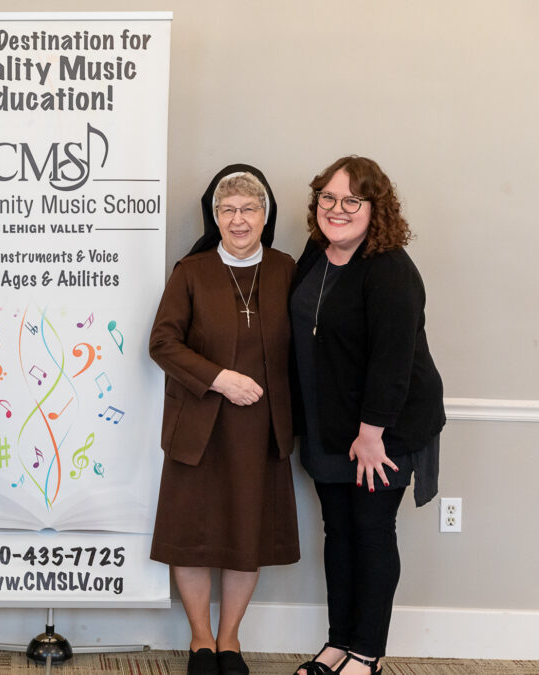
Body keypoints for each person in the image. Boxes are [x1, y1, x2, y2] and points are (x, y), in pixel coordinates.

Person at [289, 156, 444, 675]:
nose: (337, 209)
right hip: (328, 424)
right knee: (338, 531)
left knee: (372, 532)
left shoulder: (391, 271)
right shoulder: (315, 254)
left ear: (375, 209)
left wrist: (372, 433)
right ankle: (338, 643)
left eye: (351, 200)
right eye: (328, 198)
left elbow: (394, 361)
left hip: (385, 430)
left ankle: (367, 653)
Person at [149, 165, 301, 675]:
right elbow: (163, 343)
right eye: (227, 210)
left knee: (246, 537)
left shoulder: (287, 269)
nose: (238, 220)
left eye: (249, 209)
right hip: (200, 427)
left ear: (266, 214)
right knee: (191, 535)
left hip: (262, 430)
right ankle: (201, 641)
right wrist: (219, 378)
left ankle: (230, 640)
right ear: (215, 217)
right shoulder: (190, 272)